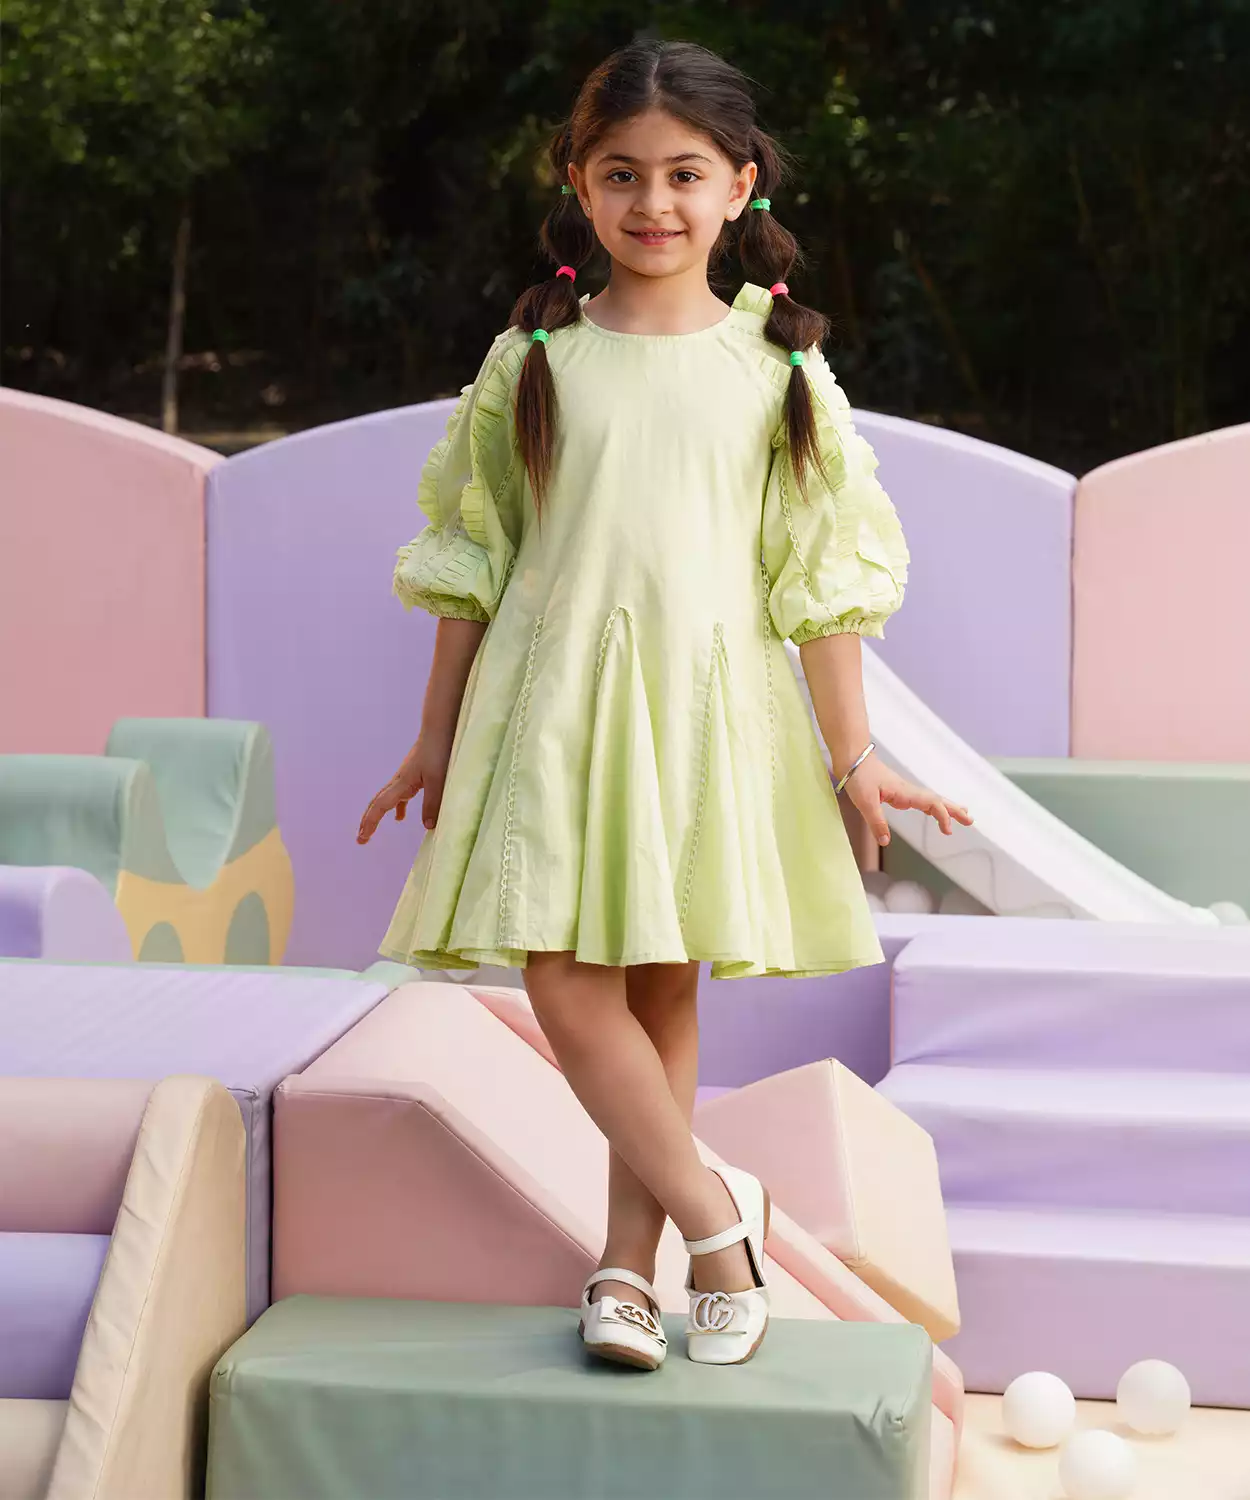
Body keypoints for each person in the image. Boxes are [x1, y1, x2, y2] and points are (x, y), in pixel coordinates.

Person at [358, 37, 972, 1372]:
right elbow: (472, 558)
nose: (653, 202)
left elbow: (817, 579)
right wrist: (431, 736)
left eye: (685, 174)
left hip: (702, 709)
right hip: (551, 705)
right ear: (577, 184)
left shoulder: (777, 371)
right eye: (622, 173)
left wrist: (853, 755)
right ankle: (718, 1215)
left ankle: (624, 1272)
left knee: (658, 990)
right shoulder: (533, 359)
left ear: (740, 186)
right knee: (563, 978)